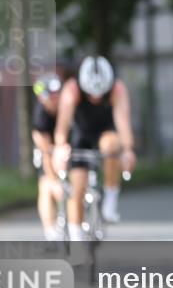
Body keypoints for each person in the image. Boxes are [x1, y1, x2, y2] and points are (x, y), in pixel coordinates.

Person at [53, 56, 136, 237]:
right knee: (78, 187)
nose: (96, 97)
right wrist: (60, 146)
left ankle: (110, 199)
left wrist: (128, 150)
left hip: (104, 133)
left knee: (112, 144)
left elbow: (123, 123)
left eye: (100, 94)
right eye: (91, 94)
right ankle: (76, 241)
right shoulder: (72, 89)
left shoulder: (117, 89)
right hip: (81, 136)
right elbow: (63, 124)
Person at [31, 73, 64, 244]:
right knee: (46, 186)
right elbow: (45, 153)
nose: (55, 100)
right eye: (51, 97)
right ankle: (49, 229)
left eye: (58, 96)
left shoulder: (67, 107)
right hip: (46, 147)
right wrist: (54, 181)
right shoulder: (41, 116)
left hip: (64, 146)